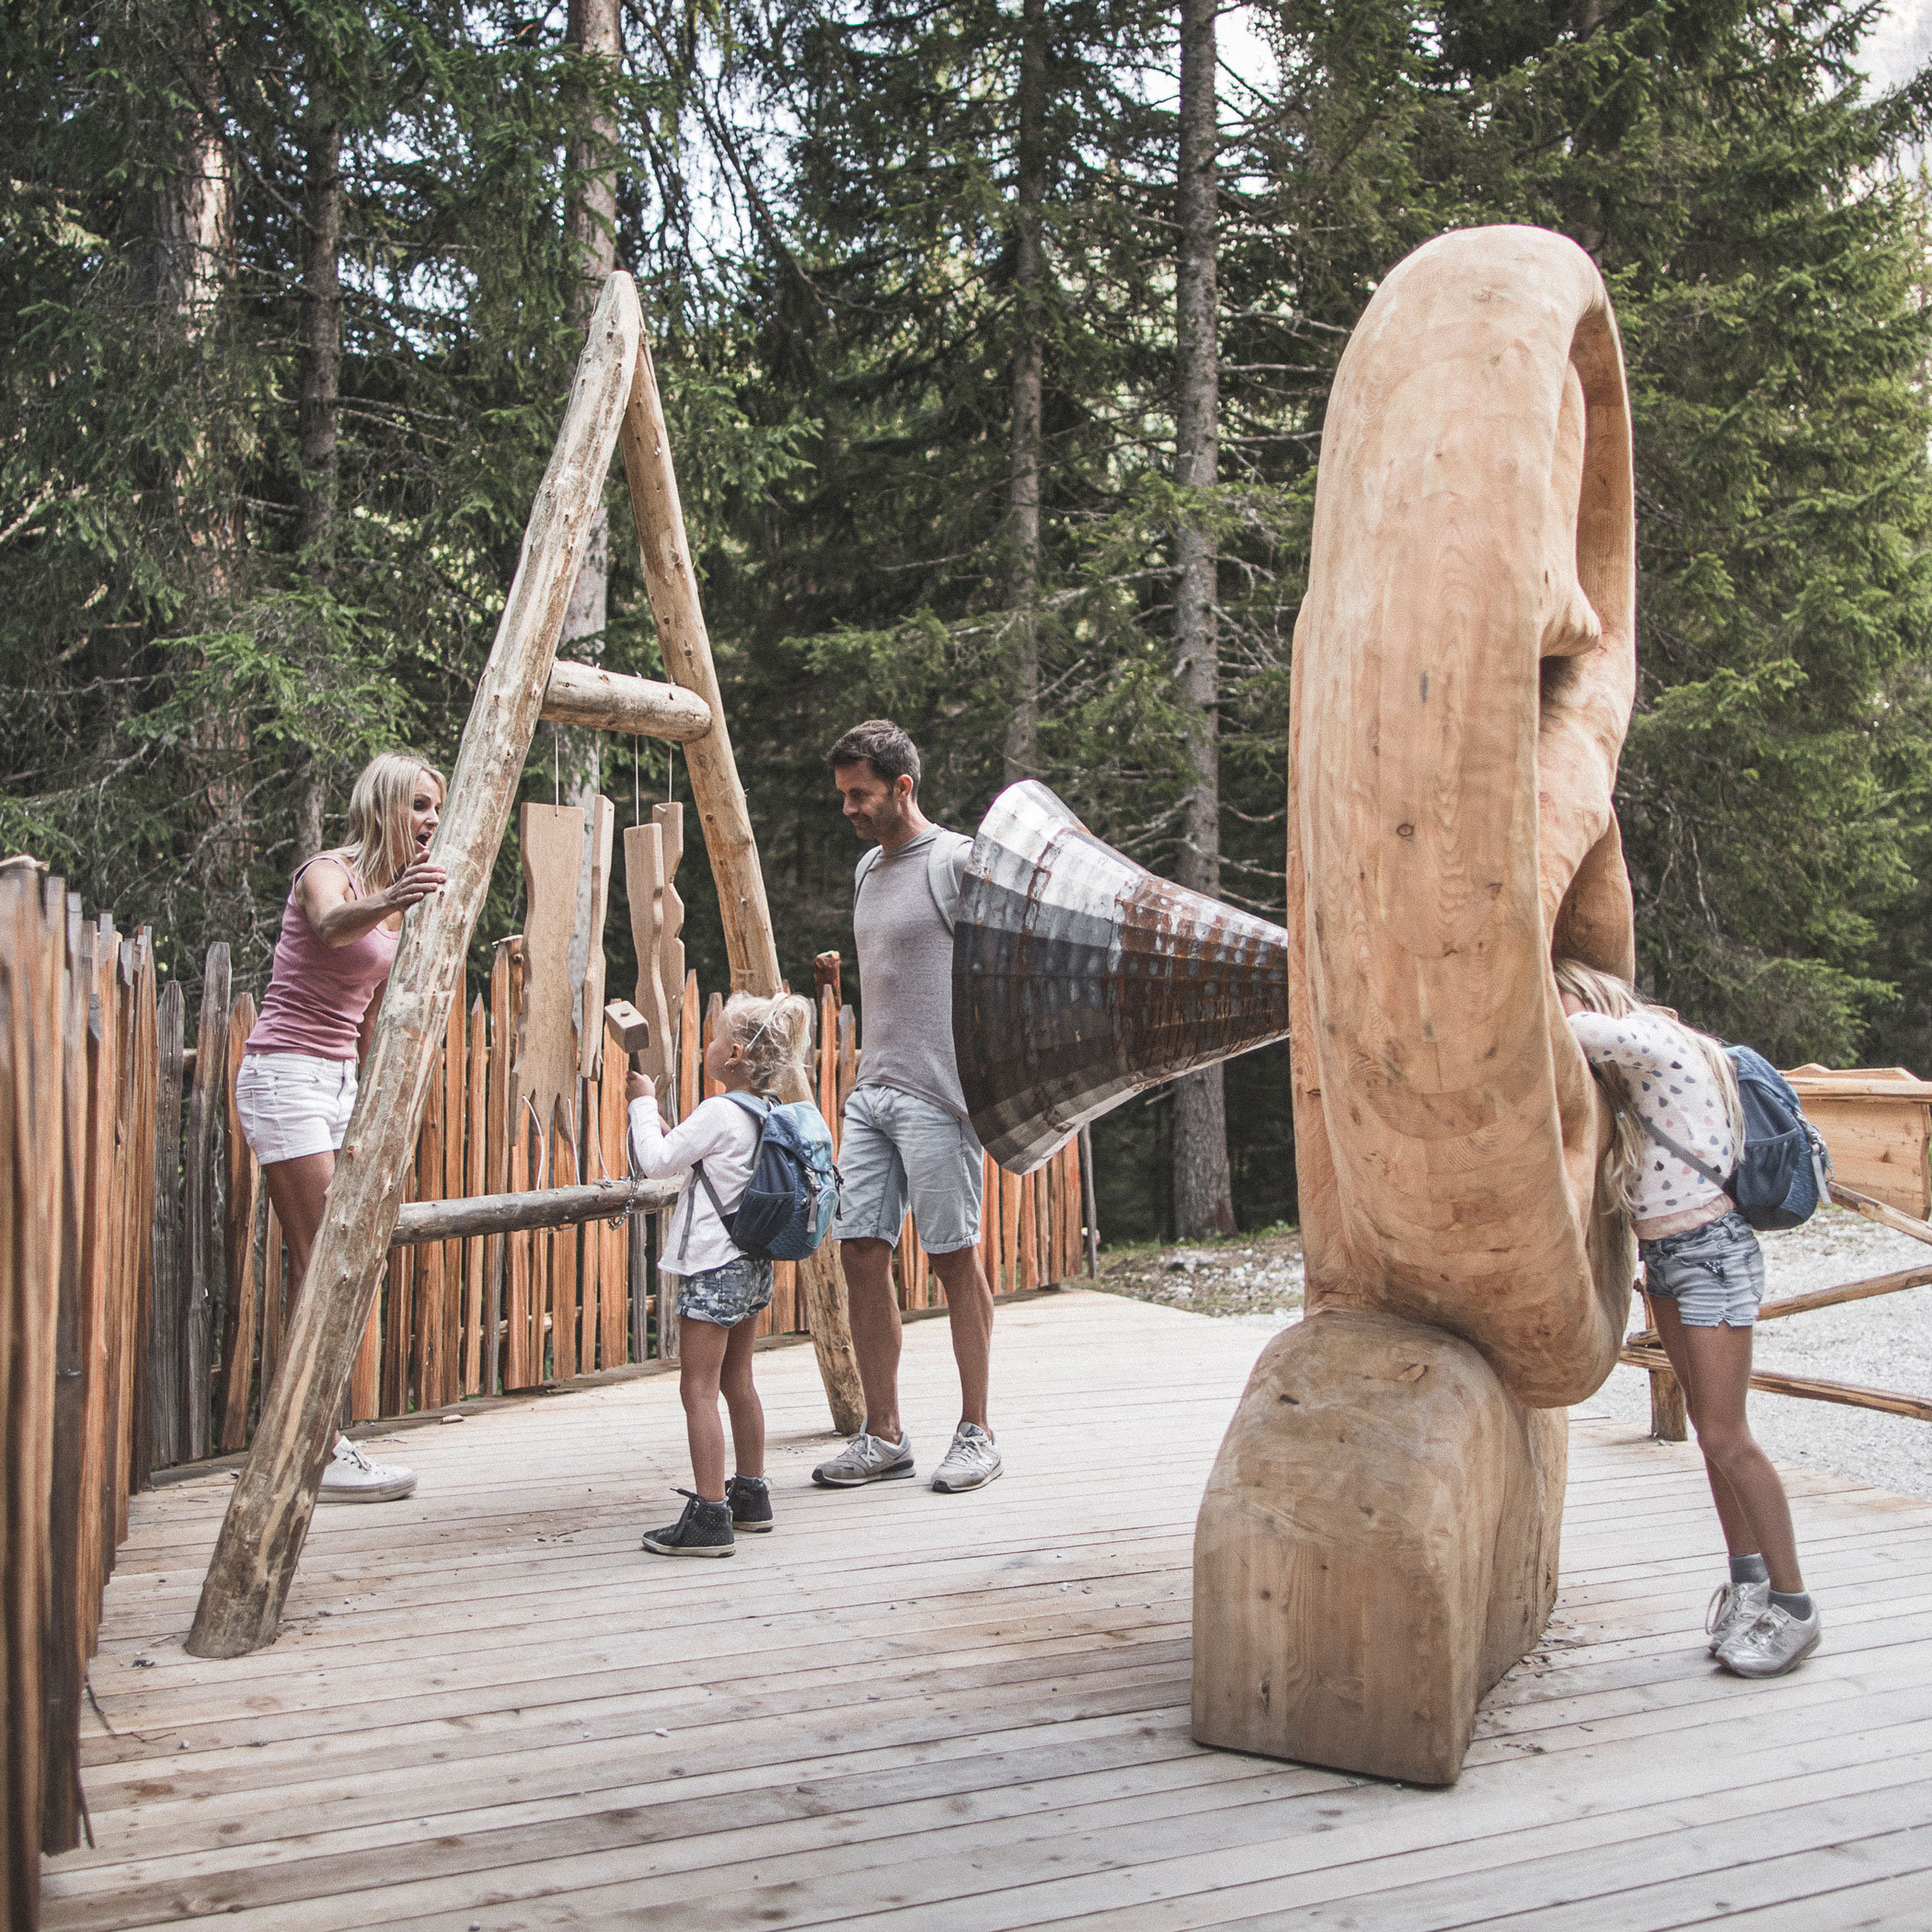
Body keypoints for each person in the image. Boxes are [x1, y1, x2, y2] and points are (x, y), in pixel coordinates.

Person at [1556, 958, 1820, 1677]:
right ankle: (1749, 1584)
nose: (1561, 1007)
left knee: (1730, 1437)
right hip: (1670, 1260)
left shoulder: (1652, 1039)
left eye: (1565, 993)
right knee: (1710, 1436)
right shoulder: (1633, 1061)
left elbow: (1559, 1030)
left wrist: (1538, 991)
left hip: (1711, 1254)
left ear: (1591, 995)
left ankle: (1795, 1607)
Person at [233, 752, 447, 1501]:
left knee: (345, 1258)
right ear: (385, 805)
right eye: (419, 805)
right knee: (324, 1258)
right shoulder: (330, 872)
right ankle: (311, 1448)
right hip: (283, 1072)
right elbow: (326, 926)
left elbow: (367, 1013)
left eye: (435, 809)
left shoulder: (393, 904)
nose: (430, 821)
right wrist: (393, 896)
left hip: (336, 1082)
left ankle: (306, 1437)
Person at [813, 719, 1001, 1495]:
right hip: (873, 1092)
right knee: (860, 1251)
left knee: (953, 1257)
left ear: (903, 788)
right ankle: (884, 1433)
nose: (849, 809)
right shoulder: (867, 870)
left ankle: (978, 1432)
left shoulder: (954, 861)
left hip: (940, 1094)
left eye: (861, 795)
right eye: (843, 796)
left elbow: (1005, 964)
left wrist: (982, 1082)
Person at [627, 990, 813, 1555]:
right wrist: (660, 1124)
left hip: (712, 1266)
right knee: (739, 1382)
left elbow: (653, 1161)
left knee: (698, 1389)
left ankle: (710, 1516)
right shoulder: (768, 1109)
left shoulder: (718, 1111)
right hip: (753, 1263)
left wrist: (639, 1104)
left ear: (733, 1053)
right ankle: (750, 1495)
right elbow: (692, 1155)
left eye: (714, 1038)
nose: (707, 1046)